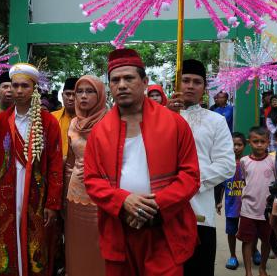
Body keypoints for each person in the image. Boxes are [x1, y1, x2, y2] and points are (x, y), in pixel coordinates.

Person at [84, 49, 200, 276]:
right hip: (119, 228)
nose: (122, 85)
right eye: (115, 80)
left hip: (164, 229)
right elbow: (92, 180)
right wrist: (124, 200)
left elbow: (190, 176)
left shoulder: (174, 124)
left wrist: (155, 207)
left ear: (145, 82)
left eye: (129, 78)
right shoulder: (99, 131)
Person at [0, 63, 63, 276]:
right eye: (14, 85)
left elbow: (55, 163)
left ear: (34, 88)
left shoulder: (48, 122)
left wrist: (53, 202)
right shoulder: (0, 121)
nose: (18, 91)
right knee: (7, 236)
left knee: (36, 239)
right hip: (6, 191)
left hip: (37, 194)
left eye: (24, 86)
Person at [168, 59, 235, 276]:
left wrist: (187, 181)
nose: (190, 86)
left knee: (197, 269)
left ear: (204, 88)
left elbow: (226, 165)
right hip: (161, 208)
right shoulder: (160, 118)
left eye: (197, 82)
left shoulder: (215, 121)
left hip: (199, 209)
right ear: (176, 84)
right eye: (185, 80)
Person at [64, 75, 107, 276]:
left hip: (104, 196)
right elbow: (70, 163)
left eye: (90, 92)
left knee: (100, 247)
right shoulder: (74, 124)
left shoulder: (112, 122)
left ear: (100, 95)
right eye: (79, 92)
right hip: (75, 195)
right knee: (77, 246)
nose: (82, 96)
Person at [238, 127, 276, 276]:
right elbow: (245, 180)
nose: (259, 145)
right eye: (255, 141)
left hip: (267, 211)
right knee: (247, 240)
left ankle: (262, 268)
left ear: (268, 143)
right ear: (249, 142)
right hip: (248, 209)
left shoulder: (273, 161)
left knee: (267, 241)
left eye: (262, 142)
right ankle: (248, 272)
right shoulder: (244, 161)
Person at [216, 132, 247, 270]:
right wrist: (218, 201)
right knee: (231, 231)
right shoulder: (225, 164)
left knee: (250, 230)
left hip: (248, 205)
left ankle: (254, 251)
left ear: (245, 146)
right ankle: (233, 255)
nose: (236, 148)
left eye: (239, 145)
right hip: (231, 205)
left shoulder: (247, 163)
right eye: (233, 145)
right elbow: (220, 184)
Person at [52, 77, 78, 158]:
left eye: (74, 94)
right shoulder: (52, 117)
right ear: (62, 95)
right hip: (55, 166)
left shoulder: (86, 120)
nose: (71, 98)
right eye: (68, 94)